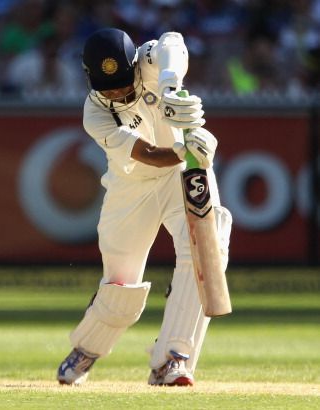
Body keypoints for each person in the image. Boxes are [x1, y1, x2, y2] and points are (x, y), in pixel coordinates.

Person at [56, 28, 232, 386]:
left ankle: (173, 359)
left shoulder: (151, 62)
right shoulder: (95, 112)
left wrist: (169, 86)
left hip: (180, 178)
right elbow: (147, 154)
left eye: (123, 80)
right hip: (131, 186)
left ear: (134, 63)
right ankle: (88, 348)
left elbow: (173, 41)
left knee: (206, 247)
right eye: (109, 87)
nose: (119, 91)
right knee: (122, 282)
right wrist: (185, 150)